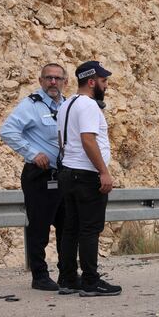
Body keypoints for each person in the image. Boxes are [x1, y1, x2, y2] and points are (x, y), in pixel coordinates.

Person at [0, 63, 69, 291]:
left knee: (67, 227)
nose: (53, 82)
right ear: (40, 81)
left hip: (64, 175)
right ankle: (39, 276)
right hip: (39, 175)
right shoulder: (31, 105)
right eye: (48, 78)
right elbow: (7, 131)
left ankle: (67, 274)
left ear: (64, 82)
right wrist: (32, 153)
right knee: (39, 228)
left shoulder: (68, 105)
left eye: (57, 78)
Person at [56, 61, 121, 296]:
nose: (106, 86)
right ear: (92, 82)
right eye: (103, 81)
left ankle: (67, 279)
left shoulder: (67, 105)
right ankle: (91, 282)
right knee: (89, 229)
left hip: (68, 172)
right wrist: (103, 171)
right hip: (85, 175)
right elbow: (88, 140)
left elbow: (62, 140)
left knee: (70, 229)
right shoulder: (89, 106)